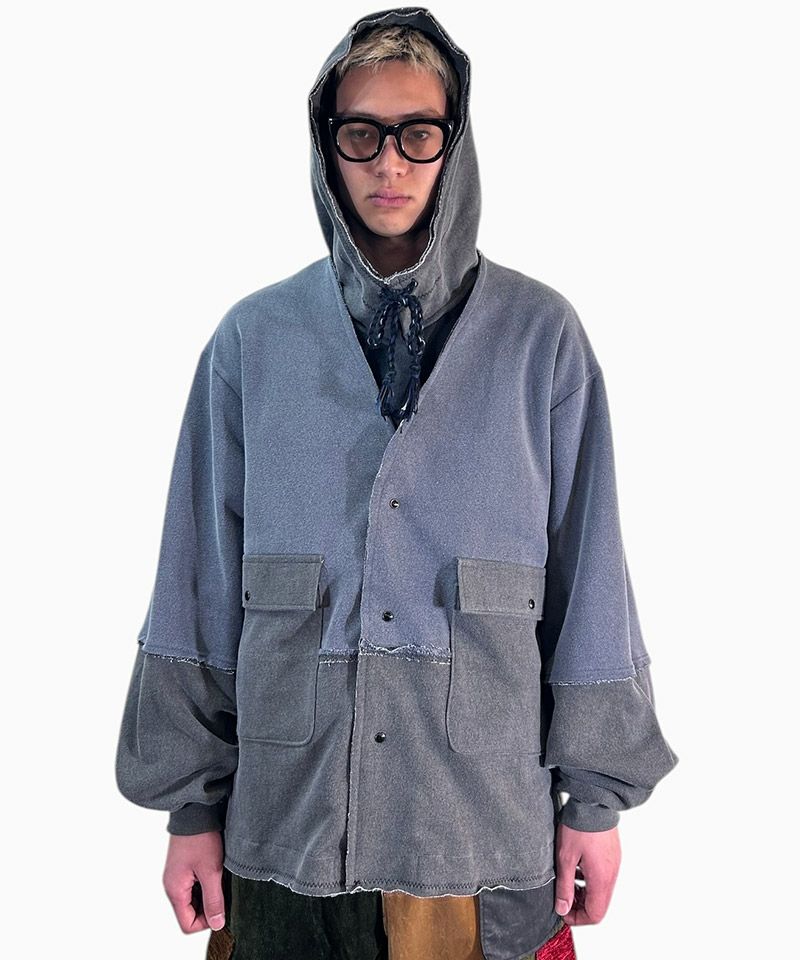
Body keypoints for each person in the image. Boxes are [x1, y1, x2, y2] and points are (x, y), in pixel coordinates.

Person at [115, 8, 679, 960]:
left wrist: (594, 801)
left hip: (475, 842)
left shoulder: (540, 340)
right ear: (325, 145)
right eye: (361, 134)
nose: (389, 163)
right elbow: (196, 585)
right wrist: (189, 810)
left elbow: (592, 581)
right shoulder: (253, 343)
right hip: (287, 844)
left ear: (454, 143)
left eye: (419, 134)